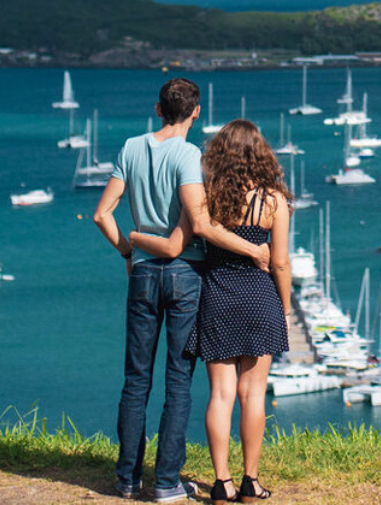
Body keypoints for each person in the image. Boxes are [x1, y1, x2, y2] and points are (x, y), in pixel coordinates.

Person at [93, 79, 268, 502]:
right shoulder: (189, 156)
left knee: (135, 380)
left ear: (157, 108)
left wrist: (127, 251)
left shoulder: (131, 147)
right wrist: (253, 250)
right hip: (185, 274)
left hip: (143, 273)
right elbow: (202, 225)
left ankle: (127, 479)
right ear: (195, 112)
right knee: (178, 381)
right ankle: (167, 483)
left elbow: (102, 214)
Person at [132, 119, 292, 504]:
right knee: (253, 394)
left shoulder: (208, 196)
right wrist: (284, 309)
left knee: (220, 394)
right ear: (261, 153)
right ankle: (251, 481)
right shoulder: (274, 201)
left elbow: (192, 235)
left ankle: (222, 483)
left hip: (217, 296)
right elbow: (281, 263)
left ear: (220, 154)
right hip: (259, 298)